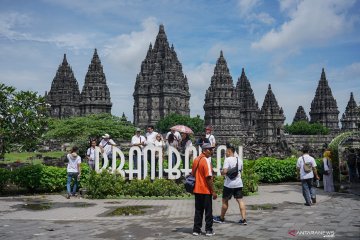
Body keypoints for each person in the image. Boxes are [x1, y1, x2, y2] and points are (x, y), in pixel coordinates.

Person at [213, 144, 247, 225]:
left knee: (225, 201)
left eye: (226, 152)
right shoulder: (239, 160)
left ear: (229, 151)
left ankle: (221, 218)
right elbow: (241, 171)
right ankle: (244, 219)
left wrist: (220, 172)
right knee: (240, 200)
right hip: (238, 183)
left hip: (229, 184)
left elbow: (224, 172)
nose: (225, 153)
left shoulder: (227, 160)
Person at [192, 143, 217, 236]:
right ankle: (209, 230)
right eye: (210, 149)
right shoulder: (206, 160)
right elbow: (209, 178)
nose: (211, 151)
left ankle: (196, 230)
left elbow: (193, 173)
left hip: (197, 189)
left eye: (211, 149)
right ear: (204, 150)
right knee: (208, 211)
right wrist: (213, 191)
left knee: (198, 211)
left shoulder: (196, 159)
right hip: (205, 190)